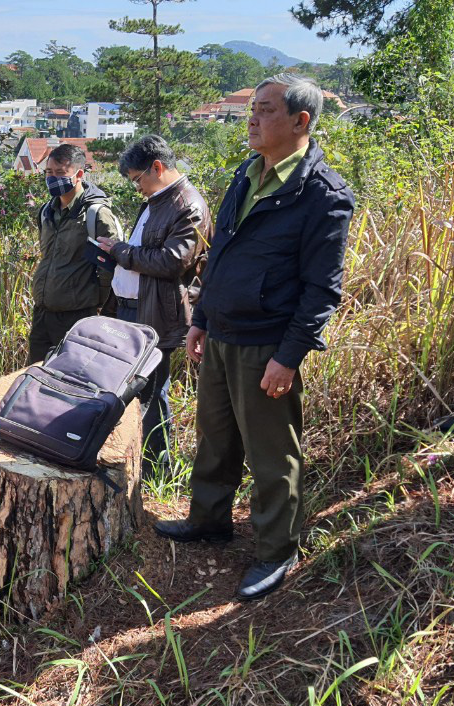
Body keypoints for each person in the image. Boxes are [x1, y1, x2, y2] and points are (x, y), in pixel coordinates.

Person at [154, 74, 355, 601]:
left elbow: (320, 291)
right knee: (215, 437)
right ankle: (209, 520)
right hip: (222, 331)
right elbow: (219, 254)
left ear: (300, 121)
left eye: (265, 110)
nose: (253, 119)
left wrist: (288, 357)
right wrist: (202, 319)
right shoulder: (248, 174)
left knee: (271, 452)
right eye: (253, 109)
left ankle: (276, 550)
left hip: (267, 342)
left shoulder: (322, 196)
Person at [96, 135, 212, 477]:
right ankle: (135, 464)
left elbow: (172, 262)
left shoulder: (187, 204)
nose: (137, 189)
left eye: (137, 180)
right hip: (133, 308)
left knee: (150, 392)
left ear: (157, 168)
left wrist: (121, 252)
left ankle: (156, 471)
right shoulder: (157, 200)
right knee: (131, 390)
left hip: (157, 313)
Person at [28, 143, 125, 364]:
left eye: (61, 173)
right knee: (34, 377)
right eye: (49, 173)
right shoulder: (46, 212)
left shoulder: (96, 214)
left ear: (79, 174)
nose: (53, 178)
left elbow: (111, 268)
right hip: (42, 312)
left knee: (69, 378)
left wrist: (97, 306)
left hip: (77, 316)